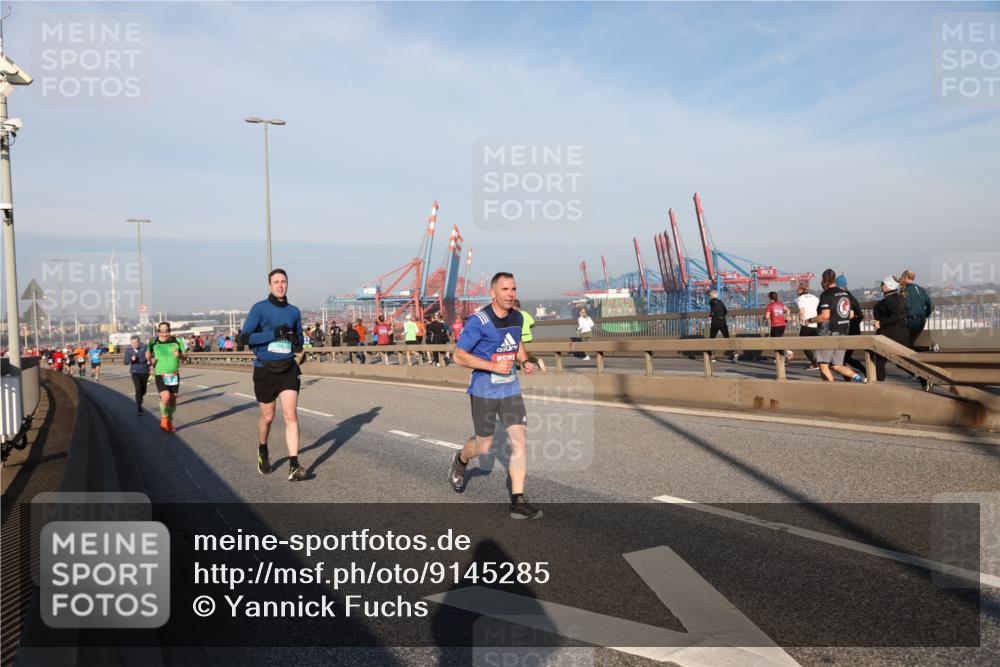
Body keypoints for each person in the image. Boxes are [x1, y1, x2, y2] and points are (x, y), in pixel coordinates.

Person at [448, 272, 544, 520]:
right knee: (484, 445)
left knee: (520, 442)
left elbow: (516, 344)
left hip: (510, 388)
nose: (511, 293)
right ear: (493, 293)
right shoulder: (479, 321)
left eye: (513, 288)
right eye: (505, 289)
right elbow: (458, 356)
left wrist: (525, 361)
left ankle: (518, 501)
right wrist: (492, 366)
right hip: (484, 390)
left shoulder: (518, 317)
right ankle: (460, 458)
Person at [239, 268, 308, 482]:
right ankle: (262, 449)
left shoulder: (294, 311)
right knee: (268, 417)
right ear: (269, 285)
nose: (280, 285)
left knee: (291, 415)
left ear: (287, 284)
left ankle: (293, 465)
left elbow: (299, 339)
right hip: (265, 369)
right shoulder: (259, 309)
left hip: (287, 368)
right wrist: (273, 334)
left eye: (283, 281)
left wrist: (296, 342)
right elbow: (244, 338)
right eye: (276, 282)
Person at [804, 269, 866, 383]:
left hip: (829, 333)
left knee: (823, 365)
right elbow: (851, 314)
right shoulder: (844, 293)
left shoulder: (826, 294)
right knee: (836, 365)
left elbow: (825, 316)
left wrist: (810, 320)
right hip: (843, 331)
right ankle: (860, 378)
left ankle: (831, 391)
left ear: (823, 281)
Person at [147, 322, 188, 432]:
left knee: (173, 400)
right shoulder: (153, 342)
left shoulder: (177, 341)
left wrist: (179, 355)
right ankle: (164, 419)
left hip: (174, 374)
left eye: (167, 332)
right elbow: (148, 354)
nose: (164, 334)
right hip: (160, 374)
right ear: (158, 332)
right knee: (165, 397)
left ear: (169, 331)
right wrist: (151, 360)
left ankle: (169, 422)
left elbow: (185, 357)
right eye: (162, 332)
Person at [871, 276, 909, 382]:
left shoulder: (889, 300)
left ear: (888, 286)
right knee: (902, 362)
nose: (881, 286)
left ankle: (879, 381)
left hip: (890, 333)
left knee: (880, 358)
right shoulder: (898, 297)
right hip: (902, 332)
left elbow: (896, 315)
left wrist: (880, 323)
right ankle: (923, 378)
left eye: (883, 284)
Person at [836, 275, 866, 378]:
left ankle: (851, 375)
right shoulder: (852, 297)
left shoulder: (840, 298)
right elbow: (861, 316)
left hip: (845, 331)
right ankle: (860, 373)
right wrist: (854, 323)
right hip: (855, 331)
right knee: (846, 357)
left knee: (841, 359)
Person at [899, 269, 934, 350]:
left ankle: (928, 349)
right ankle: (929, 349)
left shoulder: (905, 290)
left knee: (903, 345)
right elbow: (931, 305)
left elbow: (906, 305)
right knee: (909, 343)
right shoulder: (921, 289)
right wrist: (926, 314)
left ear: (905, 277)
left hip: (911, 320)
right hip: (921, 320)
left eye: (902, 277)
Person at [514, 299, 546, 372]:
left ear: (514, 306)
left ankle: (536, 361)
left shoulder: (514, 315)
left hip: (520, 338)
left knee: (518, 353)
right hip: (528, 337)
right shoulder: (525, 313)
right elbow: (532, 323)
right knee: (526, 354)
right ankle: (537, 361)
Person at [795, 282, 820, 370]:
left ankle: (814, 363)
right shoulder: (815, 297)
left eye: (798, 288)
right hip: (816, 323)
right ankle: (821, 361)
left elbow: (802, 310)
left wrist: (801, 318)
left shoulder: (800, 298)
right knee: (818, 345)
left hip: (806, 324)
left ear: (801, 289)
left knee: (804, 345)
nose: (796, 290)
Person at [123, 335, 150, 415]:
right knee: (138, 389)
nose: (134, 344)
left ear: (139, 342)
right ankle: (139, 407)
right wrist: (131, 359)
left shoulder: (144, 347)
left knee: (143, 390)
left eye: (135, 342)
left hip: (145, 371)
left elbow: (151, 355)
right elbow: (125, 362)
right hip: (135, 372)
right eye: (132, 343)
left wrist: (151, 364)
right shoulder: (128, 349)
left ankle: (140, 396)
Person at [707, 291, 736, 363]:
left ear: (712, 295)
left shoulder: (712, 301)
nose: (709, 296)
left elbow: (713, 309)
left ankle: (712, 356)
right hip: (723, 321)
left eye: (709, 295)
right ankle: (733, 353)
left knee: (712, 338)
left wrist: (711, 315)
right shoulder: (721, 302)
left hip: (715, 322)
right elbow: (725, 311)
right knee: (727, 338)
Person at [764, 291, 791, 363]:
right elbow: (788, 310)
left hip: (775, 325)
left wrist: (764, 318)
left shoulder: (770, 305)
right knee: (779, 341)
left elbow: (767, 316)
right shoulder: (781, 304)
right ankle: (780, 358)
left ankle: (787, 352)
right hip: (782, 325)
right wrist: (787, 317)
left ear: (769, 297)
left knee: (775, 342)